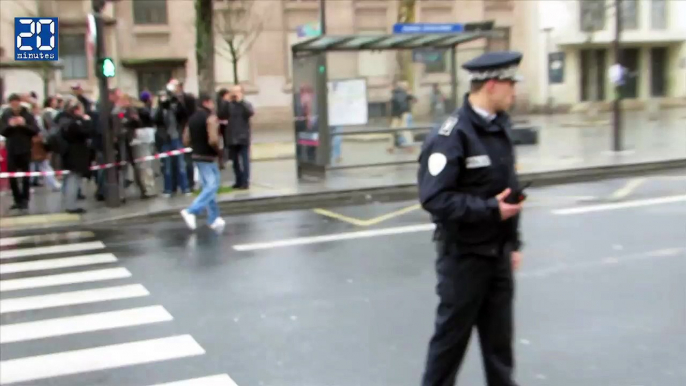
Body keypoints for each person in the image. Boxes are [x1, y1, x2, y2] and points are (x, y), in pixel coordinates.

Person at [418, 51, 525, 386]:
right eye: (510, 84)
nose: (514, 92)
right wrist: (489, 210)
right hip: (463, 259)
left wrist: (514, 241)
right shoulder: (451, 135)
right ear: (491, 85)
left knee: (499, 350)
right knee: (448, 349)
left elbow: (508, 187)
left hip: (498, 256)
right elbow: (435, 198)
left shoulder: (500, 127)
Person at [180, 93, 225, 232]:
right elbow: (213, 139)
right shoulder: (210, 118)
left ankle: (213, 217)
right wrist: (219, 151)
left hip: (197, 155)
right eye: (211, 102)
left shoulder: (192, 118)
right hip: (208, 156)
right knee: (212, 185)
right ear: (207, 102)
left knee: (208, 186)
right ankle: (191, 210)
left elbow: (186, 139)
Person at [0, 93, 39, 210]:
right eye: (12, 104)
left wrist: (24, 125)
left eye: (16, 103)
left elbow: (35, 130)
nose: (14, 105)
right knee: (12, 175)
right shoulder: (6, 114)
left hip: (25, 148)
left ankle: (25, 199)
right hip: (11, 149)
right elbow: (2, 131)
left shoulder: (27, 114)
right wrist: (10, 125)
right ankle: (17, 200)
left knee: (26, 175)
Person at [57, 98, 92, 213]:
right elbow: (85, 132)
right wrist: (86, 121)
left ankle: (68, 203)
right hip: (76, 153)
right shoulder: (74, 122)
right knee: (74, 178)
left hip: (68, 152)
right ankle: (71, 205)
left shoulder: (63, 120)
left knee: (70, 178)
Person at [224, 85, 254, 189]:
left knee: (244, 159)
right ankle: (238, 180)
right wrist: (226, 101)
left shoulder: (246, 104)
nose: (235, 94)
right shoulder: (229, 105)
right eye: (233, 92)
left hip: (243, 136)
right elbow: (221, 114)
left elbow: (250, 113)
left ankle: (245, 181)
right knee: (235, 161)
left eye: (237, 92)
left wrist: (241, 101)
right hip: (232, 136)